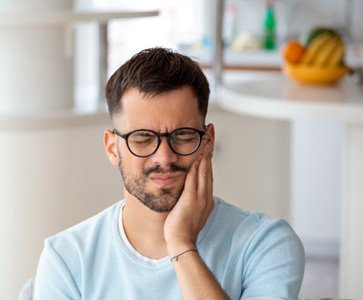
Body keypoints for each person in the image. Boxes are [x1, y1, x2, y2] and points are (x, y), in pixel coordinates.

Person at [33, 47, 305, 299]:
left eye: (183, 136)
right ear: (112, 148)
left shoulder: (265, 243)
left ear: (207, 141)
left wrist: (181, 244)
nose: (164, 157)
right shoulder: (67, 258)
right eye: (142, 138)